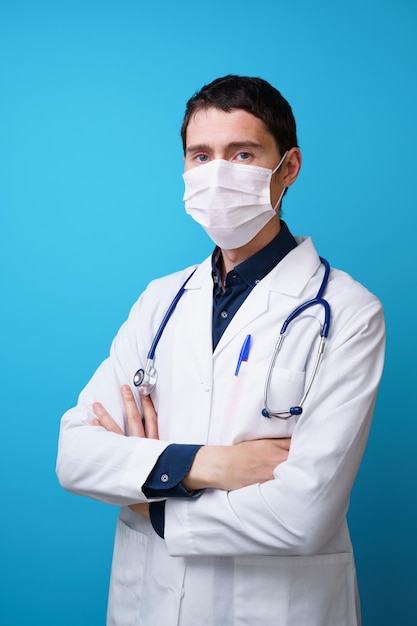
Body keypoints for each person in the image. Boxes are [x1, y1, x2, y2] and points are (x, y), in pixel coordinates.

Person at [56, 75, 385, 626]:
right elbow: (76, 455)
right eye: (201, 155)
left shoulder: (348, 312)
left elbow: (301, 515)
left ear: (289, 168)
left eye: (242, 153)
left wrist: (150, 499)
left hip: (278, 608)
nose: (217, 174)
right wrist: (211, 465)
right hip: (150, 605)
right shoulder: (159, 301)